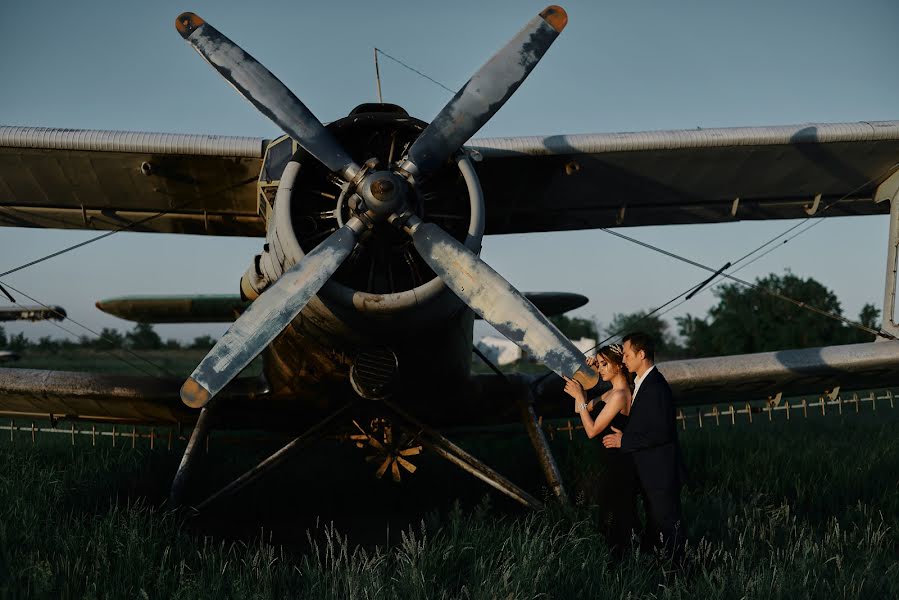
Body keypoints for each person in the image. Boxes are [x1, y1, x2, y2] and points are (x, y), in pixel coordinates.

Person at [602, 331, 687, 559]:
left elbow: (662, 432)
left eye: (628, 354)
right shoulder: (641, 382)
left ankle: (681, 577)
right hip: (651, 472)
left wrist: (624, 440)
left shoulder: (656, 386)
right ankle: (663, 573)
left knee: (669, 529)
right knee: (658, 527)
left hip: (661, 473)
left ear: (641, 354)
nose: (624, 359)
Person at [563, 344, 638, 557]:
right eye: (600, 364)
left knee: (615, 515)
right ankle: (628, 559)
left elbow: (592, 430)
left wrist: (579, 398)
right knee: (616, 513)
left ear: (619, 366)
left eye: (605, 364)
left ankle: (623, 562)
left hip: (620, 465)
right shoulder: (611, 393)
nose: (601, 368)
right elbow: (585, 409)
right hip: (613, 463)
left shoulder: (619, 395)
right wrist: (585, 381)